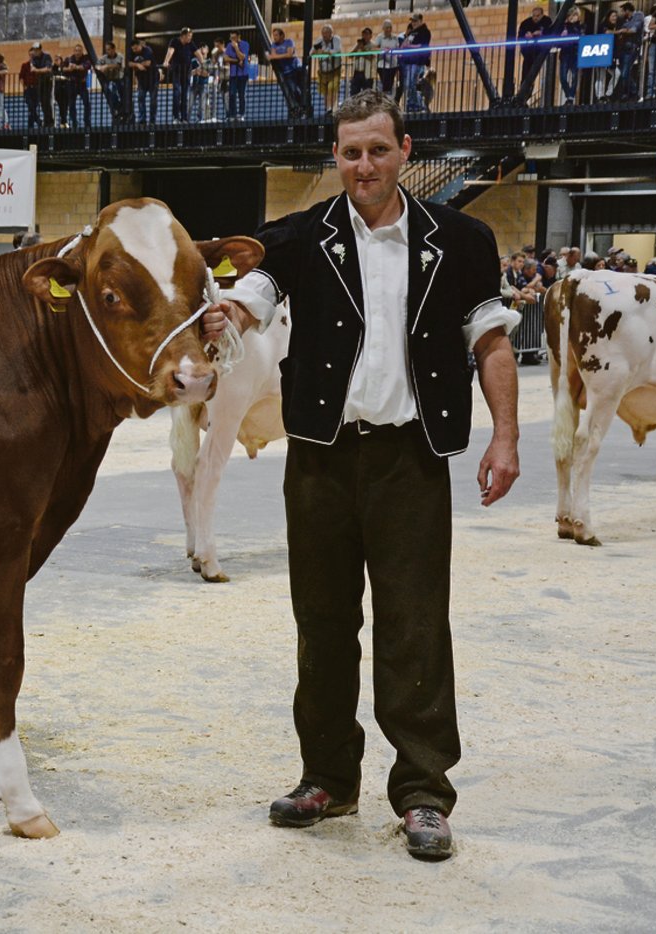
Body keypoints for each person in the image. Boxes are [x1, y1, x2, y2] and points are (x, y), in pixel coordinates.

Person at [205, 90, 520, 862]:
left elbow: (492, 344)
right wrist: (226, 315)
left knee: (414, 625)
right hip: (320, 458)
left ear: (405, 151)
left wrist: (505, 435)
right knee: (322, 622)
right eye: (350, 152)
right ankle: (327, 778)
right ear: (336, 157)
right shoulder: (302, 237)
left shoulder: (462, 238)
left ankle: (421, 792)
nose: (364, 166)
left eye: (378, 150)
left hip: (411, 458)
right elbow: (253, 295)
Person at [268, 27, 309, 118]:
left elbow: (289, 54)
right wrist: (283, 55)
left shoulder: (289, 42)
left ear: (282, 35)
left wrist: (276, 56)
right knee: (293, 90)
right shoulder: (274, 45)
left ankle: (304, 107)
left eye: (276, 35)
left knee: (302, 89)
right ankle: (299, 108)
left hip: (296, 68)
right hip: (287, 72)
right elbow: (274, 56)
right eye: (273, 35)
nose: (274, 37)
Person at [163, 27, 202, 122]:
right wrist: (166, 61)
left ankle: (183, 117)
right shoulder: (175, 41)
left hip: (186, 72)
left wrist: (203, 64)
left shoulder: (191, 44)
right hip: (177, 70)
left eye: (191, 36)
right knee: (177, 93)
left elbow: (198, 54)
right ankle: (175, 116)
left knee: (185, 95)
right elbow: (170, 51)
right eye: (189, 36)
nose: (190, 38)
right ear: (183, 36)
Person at [517, 6, 553, 102]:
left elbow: (550, 32)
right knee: (526, 73)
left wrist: (541, 33)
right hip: (528, 52)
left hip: (540, 52)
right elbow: (520, 36)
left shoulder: (547, 21)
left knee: (532, 73)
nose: (535, 18)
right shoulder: (526, 23)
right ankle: (524, 95)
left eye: (537, 16)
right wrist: (526, 36)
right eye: (534, 16)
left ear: (542, 15)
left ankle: (525, 94)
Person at [400, 14, 432, 113]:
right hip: (409, 61)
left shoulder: (424, 32)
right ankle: (412, 103)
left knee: (412, 83)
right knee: (408, 84)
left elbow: (422, 46)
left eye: (415, 21)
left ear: (420, 21)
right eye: (412, 21)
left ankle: (417, 104)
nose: (413, 23)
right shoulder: (412, 33)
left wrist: (409, 47)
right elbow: (405, 44)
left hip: (417, 62)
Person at [613, 3, 645, 101]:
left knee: (624, 73)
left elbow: (633, 30)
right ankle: (629, 92)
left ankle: (633, 92)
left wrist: (622, 31)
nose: (622, 13)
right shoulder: (626, 21)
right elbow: (623, 32)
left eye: (623, 11)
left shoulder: (638, 15)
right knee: (624, 72)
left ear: (627, 10)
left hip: (632, 47)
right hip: (623, 48)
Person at [553, 9, 586, 105]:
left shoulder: (580, 26)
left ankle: (571, 97)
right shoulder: (563, 26)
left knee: (575, 77)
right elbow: (557, 41)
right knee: (563, 77)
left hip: (575, 53)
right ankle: (568, 94)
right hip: (565, 53)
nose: (573, 17)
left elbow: (581, 37)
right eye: (571, 15)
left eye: (575, 15)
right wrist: (561, 37)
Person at [313, 24, 344, 115]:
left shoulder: (336, 39)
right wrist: (316, 51)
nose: (324, 35)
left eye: (326, 33)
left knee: (332, 89)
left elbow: (337, 51)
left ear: (331, 33)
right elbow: (311, 52)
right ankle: (328, 110)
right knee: (325, 91)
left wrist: (325, 51)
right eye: (323, 33)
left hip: (335, 71)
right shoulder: (319, 41)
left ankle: (333, 109)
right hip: (323, 72)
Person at [129, 38, 160, 124]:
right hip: (141, 80)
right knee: (140, 98)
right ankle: (142, 119)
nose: (135, 50)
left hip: (153, 79)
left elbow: (148, 63)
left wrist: (135, 65)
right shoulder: (131, 52)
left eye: (136, 48)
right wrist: (137, 65)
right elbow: (128, 63)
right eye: (133, 49)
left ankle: (152, 120)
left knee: (153, 100)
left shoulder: (147, 50)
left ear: (140, 46)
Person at [223, 31, 251, 122]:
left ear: (238, 36)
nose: (232, 40)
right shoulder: (228, 45)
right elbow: (226, 58)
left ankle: (241, 114)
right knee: (232, 94)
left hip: (243, 74)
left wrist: (236, 48)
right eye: (230, 38)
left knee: (242, 95)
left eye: (233, 37)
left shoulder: (245, 44)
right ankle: (232, 114)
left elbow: (242, 57)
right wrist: (236, 60)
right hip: (233, 74)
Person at [96, 42, 126, 124]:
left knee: (123, 93)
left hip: (119, 78)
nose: (107, 51)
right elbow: (97, 66)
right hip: (109, 79)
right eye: (106, 50)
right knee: (108, 91)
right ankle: (117, 109)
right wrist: (100, 68)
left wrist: (107, 66)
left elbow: (119, 66)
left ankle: (122, 110)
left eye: (109, 49)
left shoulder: (120, 56)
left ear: (113, 49)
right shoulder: (104, 58)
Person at [376, 19, 403, 103]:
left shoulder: (395, 37)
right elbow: (375, 48)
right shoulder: (379, 37)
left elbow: (397, 48)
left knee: (390, 83)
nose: (388, 29)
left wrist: (392, 50)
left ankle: (388, 100)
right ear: (383, 28)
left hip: (393, 64)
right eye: (387, 27)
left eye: (390, 27)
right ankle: (384, 100)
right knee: (384, 83)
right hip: (382, 63)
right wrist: (383, 50)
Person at [66, 43, 94, 128]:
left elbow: (87, 66)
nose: (77, 52)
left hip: (82, 84)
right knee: (71, 104)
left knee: (86, 103)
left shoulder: (86, 58)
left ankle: (87, 121)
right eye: (76, 51)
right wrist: (69, 68)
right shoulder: (70, 58)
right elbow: (63, 68)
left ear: (82, 52)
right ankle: (74, 121)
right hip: (72, 84)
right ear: (74, 51)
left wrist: (76, 67)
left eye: (79, 51)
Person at [20, 46, 44, 129]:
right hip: (28, 89)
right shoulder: (25, 65)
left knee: (32, 108)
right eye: (30, 55)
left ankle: (30, 126)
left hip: (37, 89)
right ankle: (39, 121)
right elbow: (21, 77)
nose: (32, 56)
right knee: (31, 106)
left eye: (33, 55)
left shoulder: (39, 65)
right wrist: (24, 87)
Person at [350, 27, 378, 98]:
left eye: (367, 34)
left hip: (367, 74)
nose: (365, 36)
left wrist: (363, 49)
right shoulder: (358, 44)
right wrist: (357, 48)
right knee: (354, 95)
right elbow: (350, 56)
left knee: (367, 95)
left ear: (371, 36)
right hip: (356, 72)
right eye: (363, 34)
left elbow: (372, 57)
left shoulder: (373, 45)